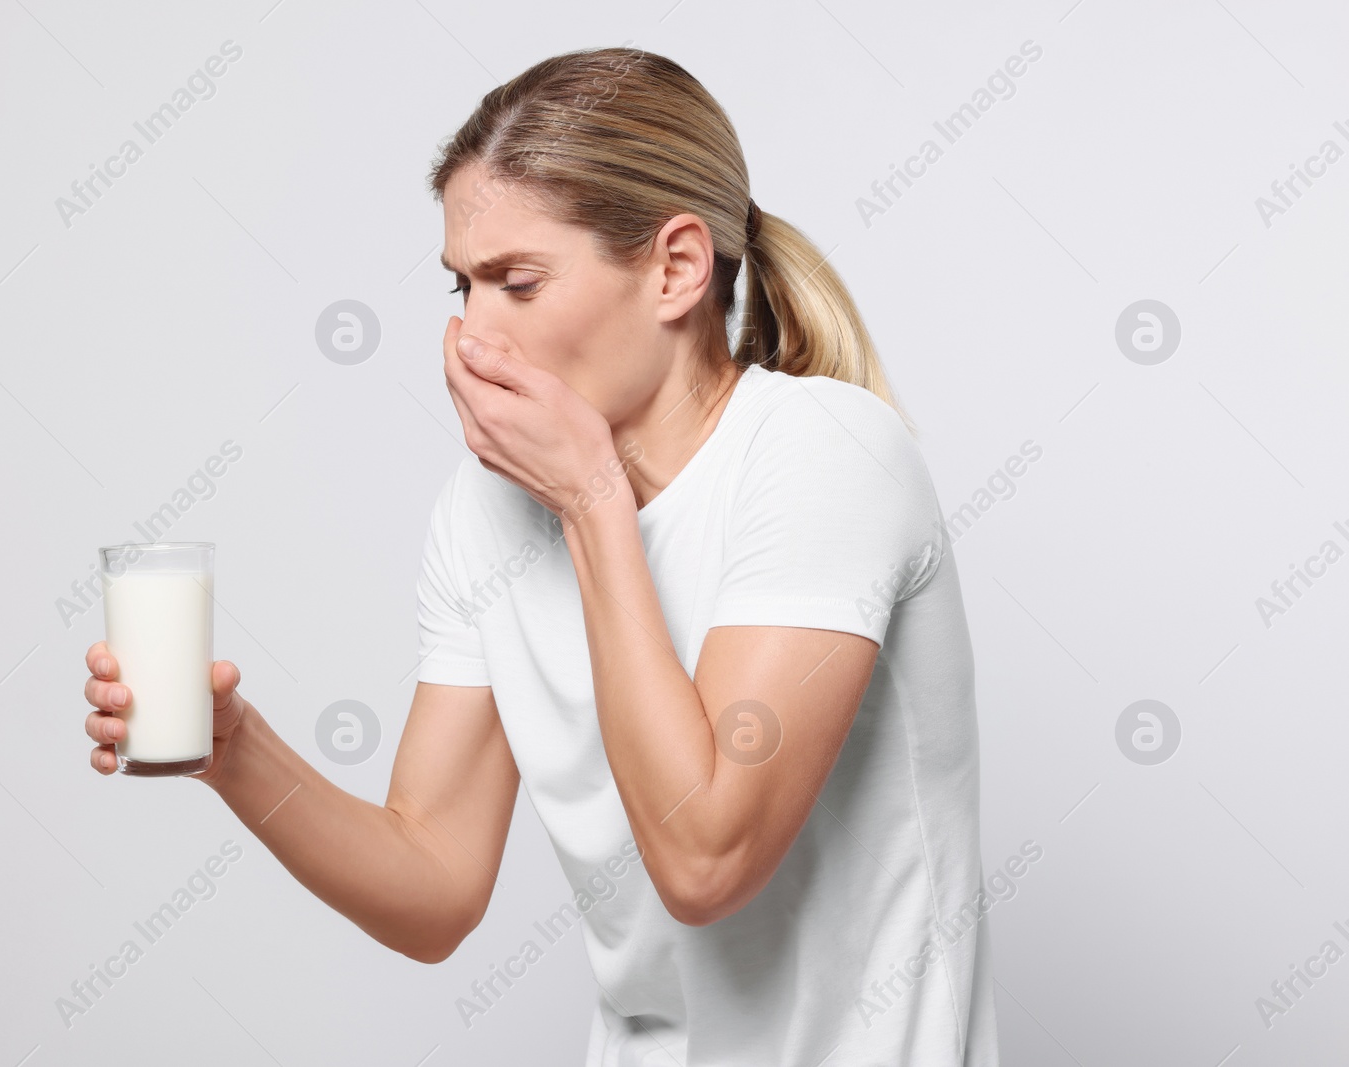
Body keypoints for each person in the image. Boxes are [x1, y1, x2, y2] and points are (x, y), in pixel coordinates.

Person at [82, 46, 997, 1067]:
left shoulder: (822, 451)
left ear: (675, 268)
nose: (474, 333)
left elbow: (706, 859)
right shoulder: (483, 515)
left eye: (517, 282)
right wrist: (234, 749)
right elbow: (433, 887)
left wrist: (592, 501)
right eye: (460, 286)